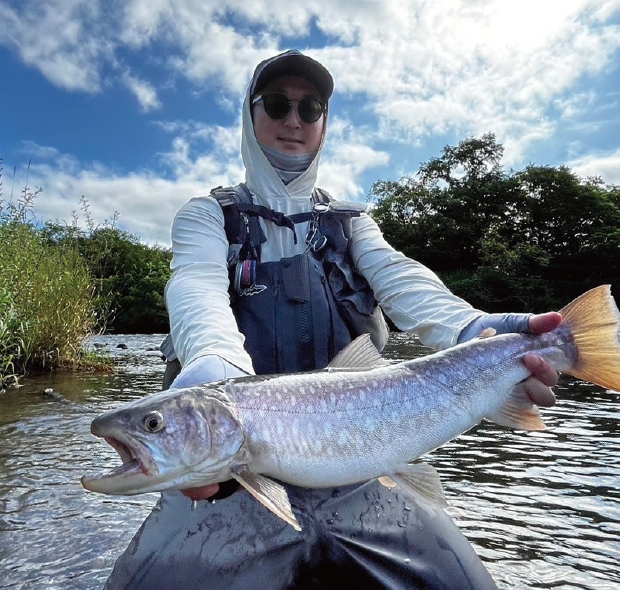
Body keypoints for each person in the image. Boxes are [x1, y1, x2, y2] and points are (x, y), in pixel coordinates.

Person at [105, 50, 560, 590]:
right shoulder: (208, 216)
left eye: (310, 108)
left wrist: (478, 331)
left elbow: (404, 281)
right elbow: (196, 286)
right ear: (250, 117)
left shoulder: (352, 223)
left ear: (324, 122)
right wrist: (211, 365)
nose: (293, 121)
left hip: (367, 460)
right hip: (228, 475)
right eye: (276, 104)